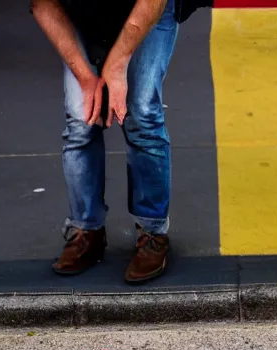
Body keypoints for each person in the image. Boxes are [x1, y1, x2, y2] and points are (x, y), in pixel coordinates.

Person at [31, 0, 205, 283]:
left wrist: (118, 61)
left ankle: (152, 232)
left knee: (142, 114)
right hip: (82, 13)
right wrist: (86, 78)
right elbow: (43, 4)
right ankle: (86, 230)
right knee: (81, 118)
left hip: (147, 5)